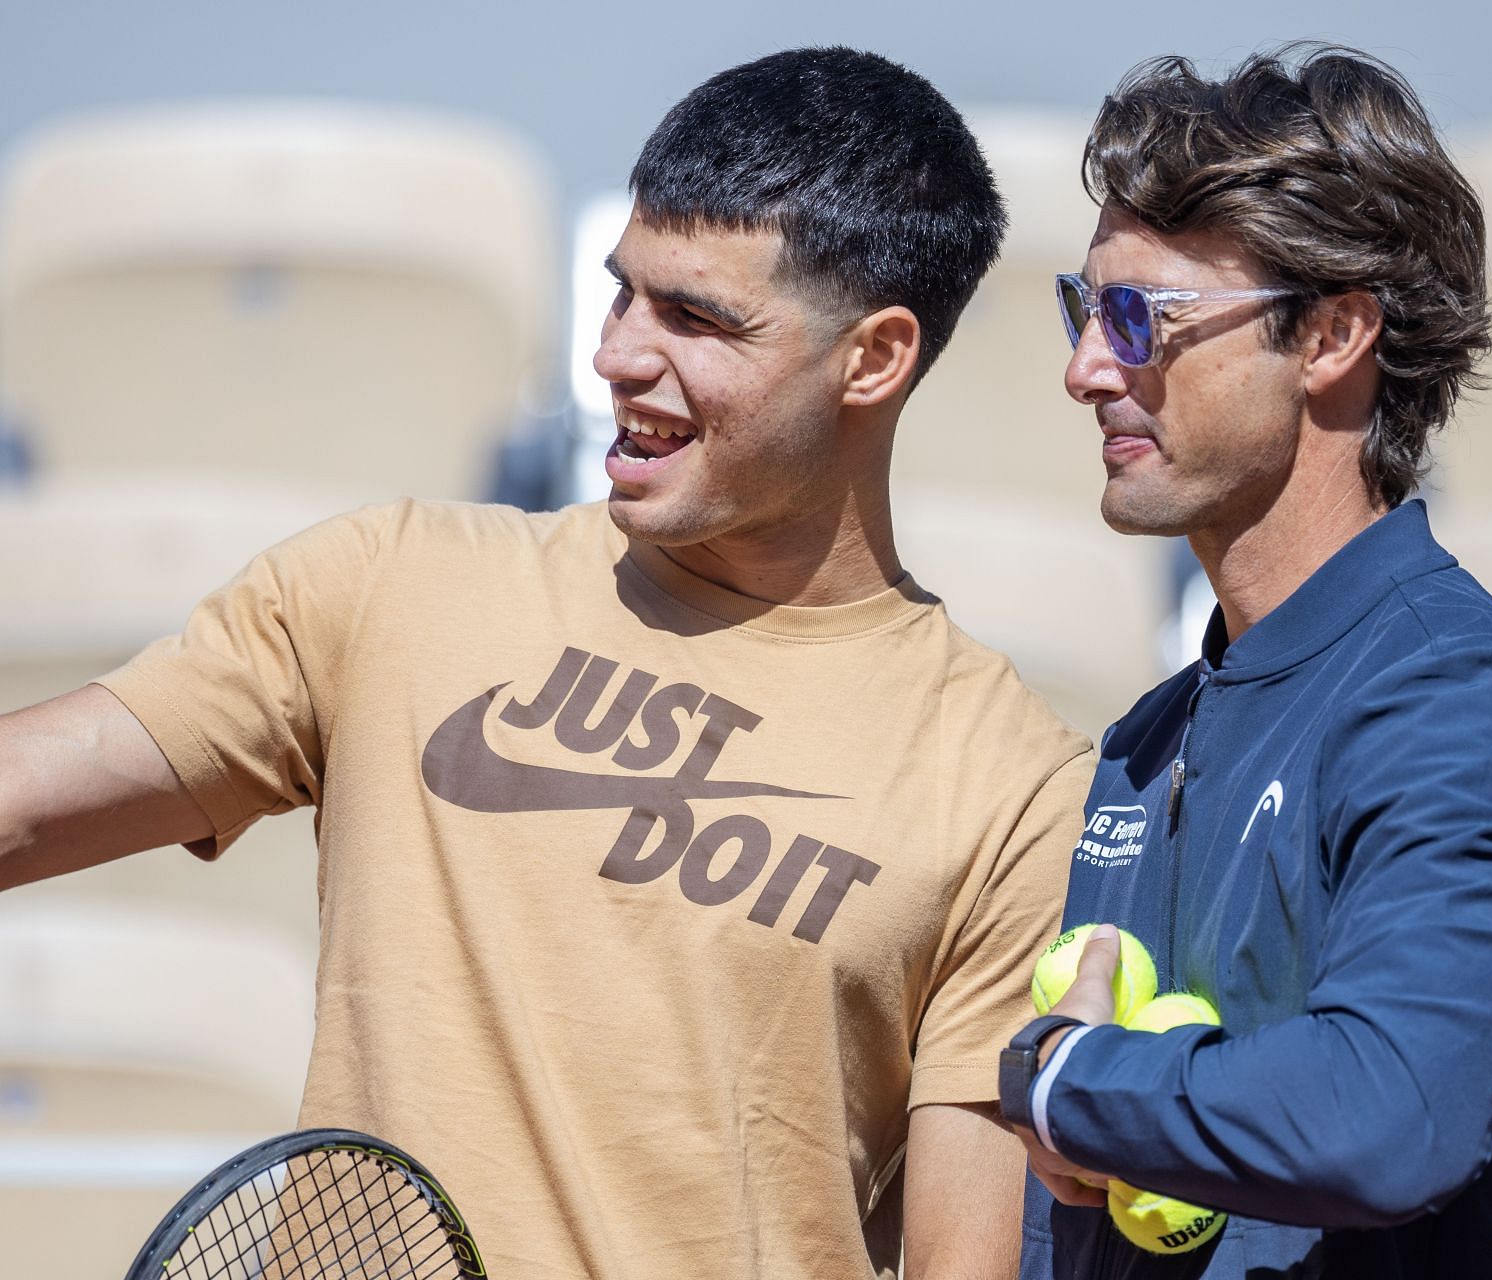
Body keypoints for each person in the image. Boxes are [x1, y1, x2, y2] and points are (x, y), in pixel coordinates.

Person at [0, 48, 1094, 1278]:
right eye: (624, 294)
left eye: (696, 318)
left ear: (875, 357)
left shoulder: (1017, 785)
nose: (620, 355)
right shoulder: (386, 583)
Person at [996, 47, 1492, 1278]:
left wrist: (1069, 1076)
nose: (1087, 369)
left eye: (1141, 318)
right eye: (1086, 312)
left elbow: (1385, 1113)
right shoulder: (1150, 737)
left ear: (1335, 332)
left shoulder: (1466, 706)